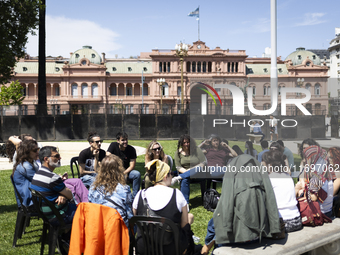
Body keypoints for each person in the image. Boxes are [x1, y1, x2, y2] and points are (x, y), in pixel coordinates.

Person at [201, 154, 281, 254]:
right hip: (260, 236)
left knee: (215, 223)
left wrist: (226, 228)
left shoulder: (232, 174)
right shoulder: (260, 172)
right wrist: (274, 228)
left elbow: (225, 205)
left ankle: (206, 250)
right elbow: (271, 199)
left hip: (238, 240)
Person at [132, 159, 194, 255]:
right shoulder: (177, 194)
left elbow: (135, 217)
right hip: (170, 249)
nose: (172, 175)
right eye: (171, 173)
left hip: (143, 247)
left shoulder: (140, 194)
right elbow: (184, 224)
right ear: (165, 176)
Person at [31, 146, 77, 224]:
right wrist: (64, 196)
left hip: (46, 215)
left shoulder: (37, 174)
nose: (60, 158)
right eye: (56, 156)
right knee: (88, 212)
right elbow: (70, 195)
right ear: (46, 159)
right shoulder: (52, 177)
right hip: (59, 216)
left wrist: (62, 196)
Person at [262, 150, 302, 232]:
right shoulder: (287, 176)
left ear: (269, 164)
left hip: (282, 223)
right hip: (297, 220)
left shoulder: (269, 179)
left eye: (263, 162)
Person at [88, 154, 133, 227]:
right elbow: (129, 214)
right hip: (118, 230)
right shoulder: (124, 189)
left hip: (99, 228)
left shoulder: (93, 188)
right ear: (119, 170)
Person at [295, 145, 333, 218]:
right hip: (328, 210)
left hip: (320, 213)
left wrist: (301, 191)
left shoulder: (317, 175)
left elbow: (313, 197)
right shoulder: (325, 169)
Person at [172, 134, 206, 204]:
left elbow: (203, 163)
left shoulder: (197, 150)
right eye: (184, 143)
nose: (186, 144)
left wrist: (191, 170)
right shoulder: (178, 153)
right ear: (181, 143)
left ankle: (178, 178)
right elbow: (178, 167)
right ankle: (186, 204)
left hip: (198, 173)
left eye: (188, 142)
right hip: (185, 173)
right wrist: (188, 172)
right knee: (185, 179)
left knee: (197, 168)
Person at [107, 132, 141, 198]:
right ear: (118, 141)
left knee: (137, 174)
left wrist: (124, 172)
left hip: (126, 171)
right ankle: (112, 196)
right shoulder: (113, 145)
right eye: (123, 140)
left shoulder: (131, 149)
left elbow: (132, 166)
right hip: (114, 171)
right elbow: (107, 156)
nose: (125, 142)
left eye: (126, 140)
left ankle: (135, 197)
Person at [12, 140, 40, 208]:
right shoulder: (25, 166)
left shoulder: (30, 163)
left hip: (31, 199)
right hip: (30, 201)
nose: (37, 152)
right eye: (35, 150)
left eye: (38, 149)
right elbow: (40, 181)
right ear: (27, 152)